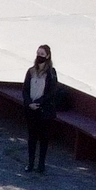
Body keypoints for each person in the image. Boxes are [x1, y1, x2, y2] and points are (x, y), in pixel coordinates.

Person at [21, 45, 61, 173]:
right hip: (31, 109)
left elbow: (52, 92)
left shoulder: (51, 73)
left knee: (43, 138)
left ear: (47, 56)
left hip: (44, 110)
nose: (39, 56)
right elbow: (25, 89)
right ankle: (30, 163)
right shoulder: (31, 71)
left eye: (42, 54)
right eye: (38, 53)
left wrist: (39, 103)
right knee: (31, 137)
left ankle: (41, 164)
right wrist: (29, 103)